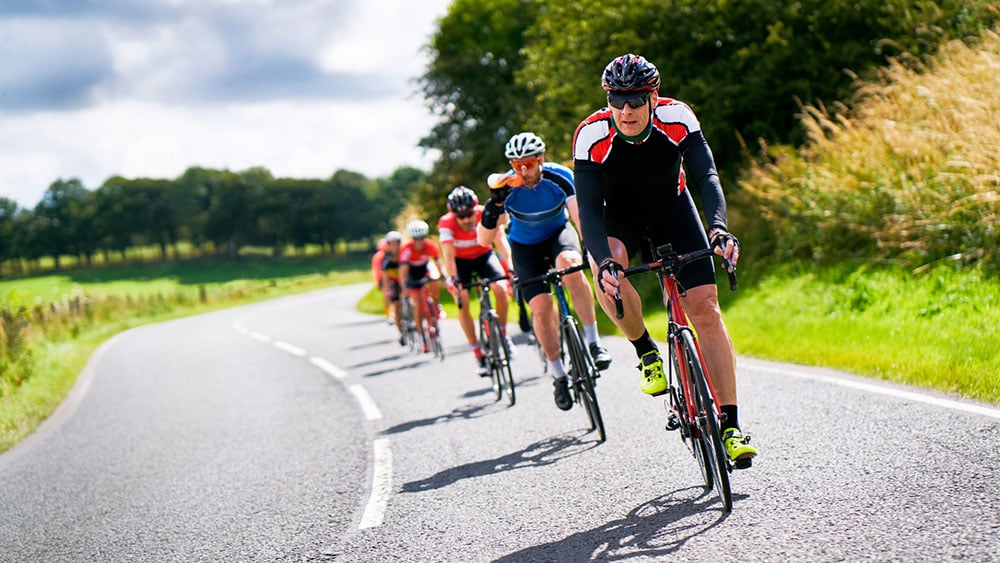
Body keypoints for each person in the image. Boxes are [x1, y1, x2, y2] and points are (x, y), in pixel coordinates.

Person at [572, 53, 757, 466]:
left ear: (653, 97)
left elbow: (706, 177)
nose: (626, 110)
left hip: (674, 209)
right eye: (616, 101)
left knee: (705, 309)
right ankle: (645, 352)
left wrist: (719, 228)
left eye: (635, 100)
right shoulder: (590, 134)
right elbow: (587, 210)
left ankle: (730, 427)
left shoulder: (678, 118)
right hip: (618, 218)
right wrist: (603, 263)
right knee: (611, 276)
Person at [478, 132, 612, 412]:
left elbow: (579, 216)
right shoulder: (508, 186)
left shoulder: (559, 176)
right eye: (517, 165)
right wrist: (494, 206)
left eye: (528, 164)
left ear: (540, 159)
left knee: (569, 263)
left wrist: (592, 250)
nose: (523, 171)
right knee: (540, 306)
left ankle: (593, 342)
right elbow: (484, 239)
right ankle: (558, 375)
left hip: (557, 236)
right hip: (524, 247)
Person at [439, 186, 513, 376]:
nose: (465, 219)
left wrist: (511, 268)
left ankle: (503, 335)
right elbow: (448, 255)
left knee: (501, 288)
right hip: (460, 262)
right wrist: (453, 279)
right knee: (461, 298)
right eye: (460, 216)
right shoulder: (446, 223)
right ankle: (477, 353)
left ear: (475, 209)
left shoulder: (485, 213)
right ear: (452, 214)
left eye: (469, 214)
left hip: (484, 256)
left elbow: (501, 243)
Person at [398, 220, 444, 353]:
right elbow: (403, 272)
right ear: (413, 238)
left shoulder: (430, 245)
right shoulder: (406, 250)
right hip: (412, 273)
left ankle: (436, 303)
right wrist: (404, 287)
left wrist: (442, 277)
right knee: (418, 304)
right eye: (416, 239)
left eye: (422, 238)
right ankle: (422, 336)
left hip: (425, 268)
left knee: (435, 281)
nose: (419, 242)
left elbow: (437, 264)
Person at [379, 230, 405, 344]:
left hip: (405, 280)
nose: (395, 247)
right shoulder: (386, 260)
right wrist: (387, 291)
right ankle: (401, 333)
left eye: (397, 243)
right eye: (392, 244)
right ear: (388, 245)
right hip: (394, 283)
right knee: (397, 305)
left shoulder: (405, 255)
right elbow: (385, 278)